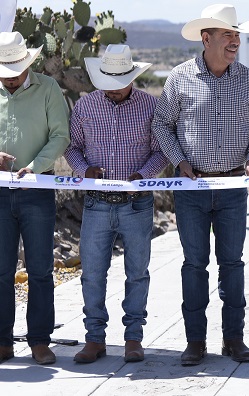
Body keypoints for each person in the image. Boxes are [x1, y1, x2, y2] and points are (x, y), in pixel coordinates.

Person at [152, 4, 249, 365]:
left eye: (237, 35)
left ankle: (234, 339)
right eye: (228, 35)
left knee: (232, 264)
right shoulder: (178, 77)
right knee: (194, 265)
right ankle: (195, 342)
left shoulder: (247, 79)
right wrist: (181, 162)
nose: (235, 41)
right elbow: (162, 126)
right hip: (191, 189)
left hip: (233, 186)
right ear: (207, 38)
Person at [65, 45, 167, 363]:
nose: (115, 88)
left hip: (136, 203)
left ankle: (133, 338)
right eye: (109, 82)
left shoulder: (151, 106)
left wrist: (143, 174)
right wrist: (85, 171)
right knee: (92, 274)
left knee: (137, 273)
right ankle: (94, 339)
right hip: (95, 203)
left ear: (132, 78)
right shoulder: (85, 107)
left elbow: (161, 151)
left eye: (121, 82)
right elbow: (72, 149)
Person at [0, 31, 70, 365]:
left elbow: (60, 135)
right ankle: (2, 342)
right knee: (0, 271)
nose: (9, 81)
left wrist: (35, 168)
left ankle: (40, 341)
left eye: (14, 74)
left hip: (37, 192)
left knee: (41, 269)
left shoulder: (49, 89)